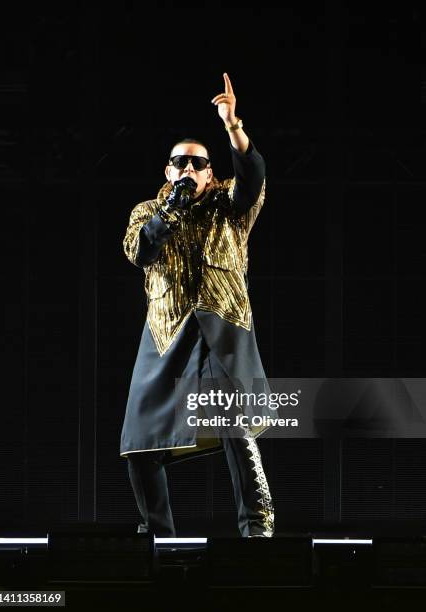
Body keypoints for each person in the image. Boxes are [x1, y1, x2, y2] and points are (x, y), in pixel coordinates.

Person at [120, 73, 274, 538]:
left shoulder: (229, 203)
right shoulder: (148, 211)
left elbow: (251, 177)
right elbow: (138, 251)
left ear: (210, 171)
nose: (188, 169)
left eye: (197, 164)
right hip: (166, 332)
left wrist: (233, 128)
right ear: (167, 170)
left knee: (235, 427)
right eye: (179, 163)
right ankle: (157, 537)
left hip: (221, 327)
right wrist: (169, 210)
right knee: (140, 441)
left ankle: (258, 530)